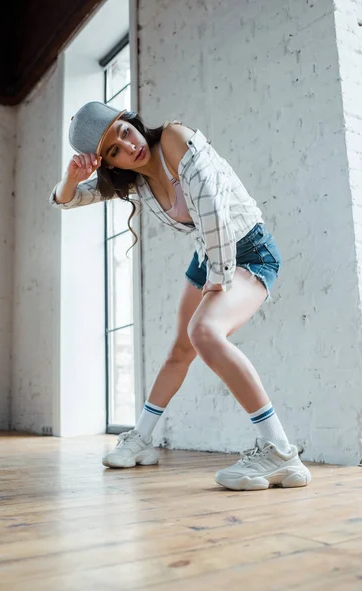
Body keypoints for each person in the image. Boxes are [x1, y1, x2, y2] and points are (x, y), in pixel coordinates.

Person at [49, 101, 311, 491]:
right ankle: (141, 440)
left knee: (203, 332)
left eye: (125, 130)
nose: (129, 145)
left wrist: (216, 283)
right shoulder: (134, 182)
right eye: (114, 150)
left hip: (250, 251)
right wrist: (72, 176)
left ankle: (279, 450)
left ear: (131, 122)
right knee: (180, 349)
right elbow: (67, 199)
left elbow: (217, 216)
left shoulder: (174, 138)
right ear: (110, 163)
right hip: (209, 254)